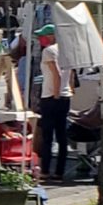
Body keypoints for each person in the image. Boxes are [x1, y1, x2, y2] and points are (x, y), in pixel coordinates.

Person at [33, 23, 69, 181]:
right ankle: (60, 171)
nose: (41, 39)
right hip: (66, 96)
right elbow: (71, 72)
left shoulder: (49, 51)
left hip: (51, 96)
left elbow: (57, 74)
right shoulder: (67, 51)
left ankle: (46, 170)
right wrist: (68, 90)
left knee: (47, 136)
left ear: (51, 36)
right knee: (62, 136)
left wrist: (55, 94)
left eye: (44, 35)